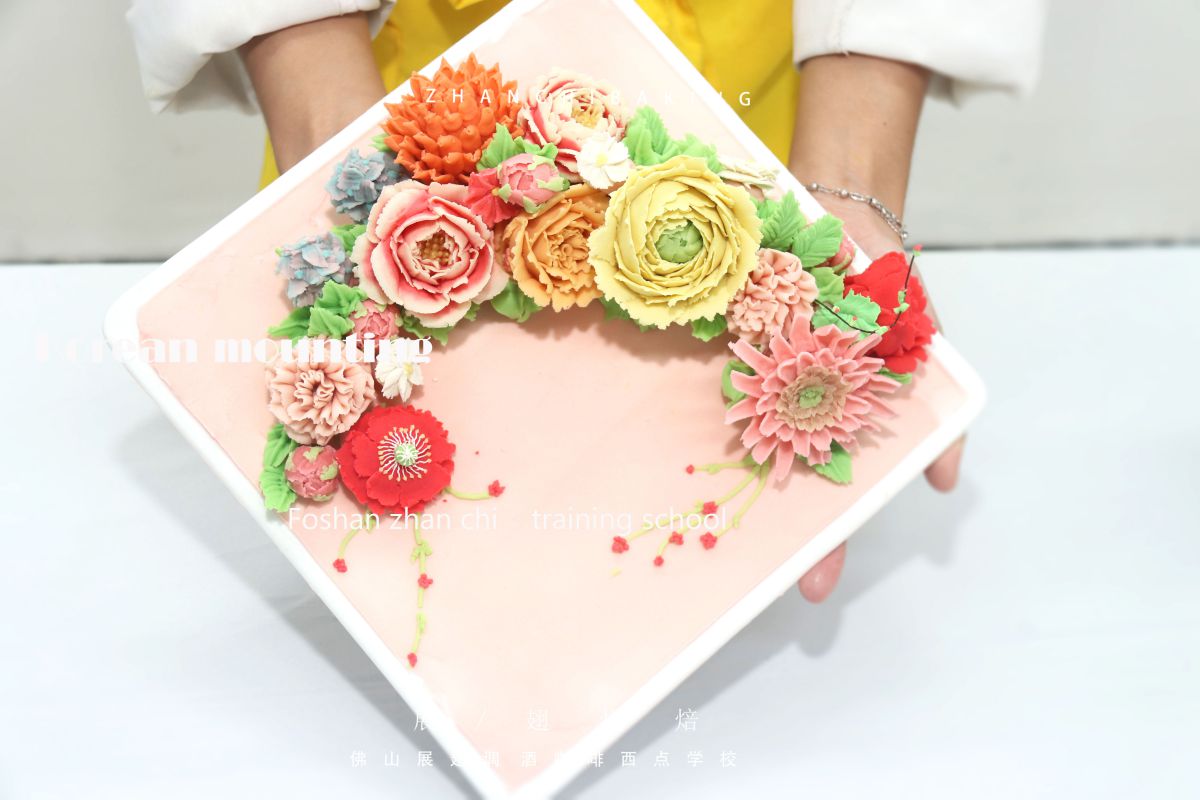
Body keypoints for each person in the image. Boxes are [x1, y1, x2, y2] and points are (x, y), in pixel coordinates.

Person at [127, 0, 1043, 602]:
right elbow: (344, 154)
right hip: (428, 93)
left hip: (752, 97)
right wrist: (335, 151)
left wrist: (845, 182)